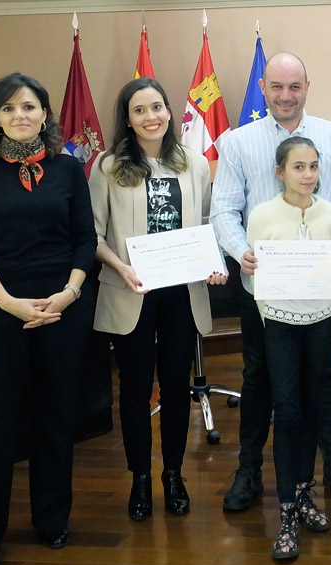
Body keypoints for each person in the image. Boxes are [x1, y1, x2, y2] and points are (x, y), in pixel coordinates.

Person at [210, 52, 331, 507]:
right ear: (263, 88)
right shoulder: (237, 142)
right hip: (262, 287)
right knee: (259, 377)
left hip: (324, 284)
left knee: (324, 376)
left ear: (307, 86)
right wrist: (241, 252)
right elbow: (223, 209)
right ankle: (249, 470)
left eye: (294, 87)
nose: (285, 96)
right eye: (277, 87)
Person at [0, 72, 96, 565]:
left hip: (63, 306)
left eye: (30, 107)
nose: (21, 116)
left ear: (45, 115)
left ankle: (52, 520)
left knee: (56, 417)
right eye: (9, 108)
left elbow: (84, 237)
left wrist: (69, 293)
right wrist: (10, 302)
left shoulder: (68, 170)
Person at [89, 77, 228, 522]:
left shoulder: (194, 163)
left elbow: (207, 223)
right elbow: (92, 234)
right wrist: (121, 266)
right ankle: (140, 479)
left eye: (158, 107)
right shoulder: (108, 167)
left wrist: (213, 261)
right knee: (133, 390)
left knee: (174, 386)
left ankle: (172, 474)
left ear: (170, 112)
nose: (151, 117)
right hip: (132, 291)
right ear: (127, 120)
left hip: (181, 294)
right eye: (139, 110)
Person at [246, 137, 331, 560]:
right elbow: (257, 281)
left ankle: (305, 491)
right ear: (280, 171)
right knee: (287, 410)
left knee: (314, 406)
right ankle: (285, 509)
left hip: (321, 322)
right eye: (299, 167)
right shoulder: (263, 215)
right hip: (279, 324)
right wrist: (271, 319)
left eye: (314, 166)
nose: (308, 175)